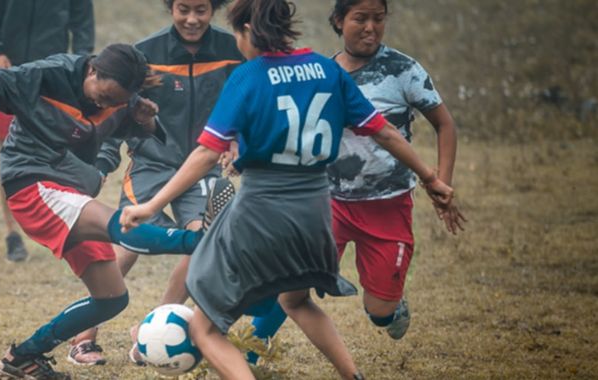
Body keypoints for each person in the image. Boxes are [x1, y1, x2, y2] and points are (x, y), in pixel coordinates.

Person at [119, 0, 461, 378]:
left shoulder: (249, 77)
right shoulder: (328, 70)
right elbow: (384, 131)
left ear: (247, 31)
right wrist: (431, 178)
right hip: (316, 210)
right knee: (295, 301)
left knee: (203, 327)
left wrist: (153, 205)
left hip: (262, 209)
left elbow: (205, 153)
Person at [0, 44, 211, 380]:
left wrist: (146, 121)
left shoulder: (121, 98)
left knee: (111, 298)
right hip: (32, 182)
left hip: (71, 188)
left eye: (115, 101)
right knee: (120, 225)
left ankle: (23, 357)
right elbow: (0, 79)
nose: (106, 105)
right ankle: (200, 241)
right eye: (103, 96)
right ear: (91, 71)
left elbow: (136, 127)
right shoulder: (53, 74)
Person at [242, 0, 466, 361]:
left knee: (380, 313)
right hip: (329, 202)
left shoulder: (402, 70)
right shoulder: (325, 74)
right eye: (360, 19)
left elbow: (445, 124)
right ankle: (247, 353)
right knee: (292, 286)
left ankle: (389, 309)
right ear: (338, 21)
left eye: (378, 19)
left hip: (388, 206)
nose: (370, 28)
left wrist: (441, 182)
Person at [71, 0, 245, 366]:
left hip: (203, 167)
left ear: (214, 8)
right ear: (170, 7)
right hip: (151, 164)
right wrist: (102, 165)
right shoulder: (146, 56)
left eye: (201, 10)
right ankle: (83, 338)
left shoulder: (234, 52)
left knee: (204, 240)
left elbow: (246, 107)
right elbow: (116, 111)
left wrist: (240, 142)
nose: (192, 19)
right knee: (130, 237)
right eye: (183, 9)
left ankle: (151, 333)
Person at [0, 0, 95, 263]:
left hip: (52, 75)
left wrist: (82, 65)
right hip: (6, 73)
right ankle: (12, 235)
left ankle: (64, 225)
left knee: (61, 149)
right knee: (8, 151)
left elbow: (83, 23)